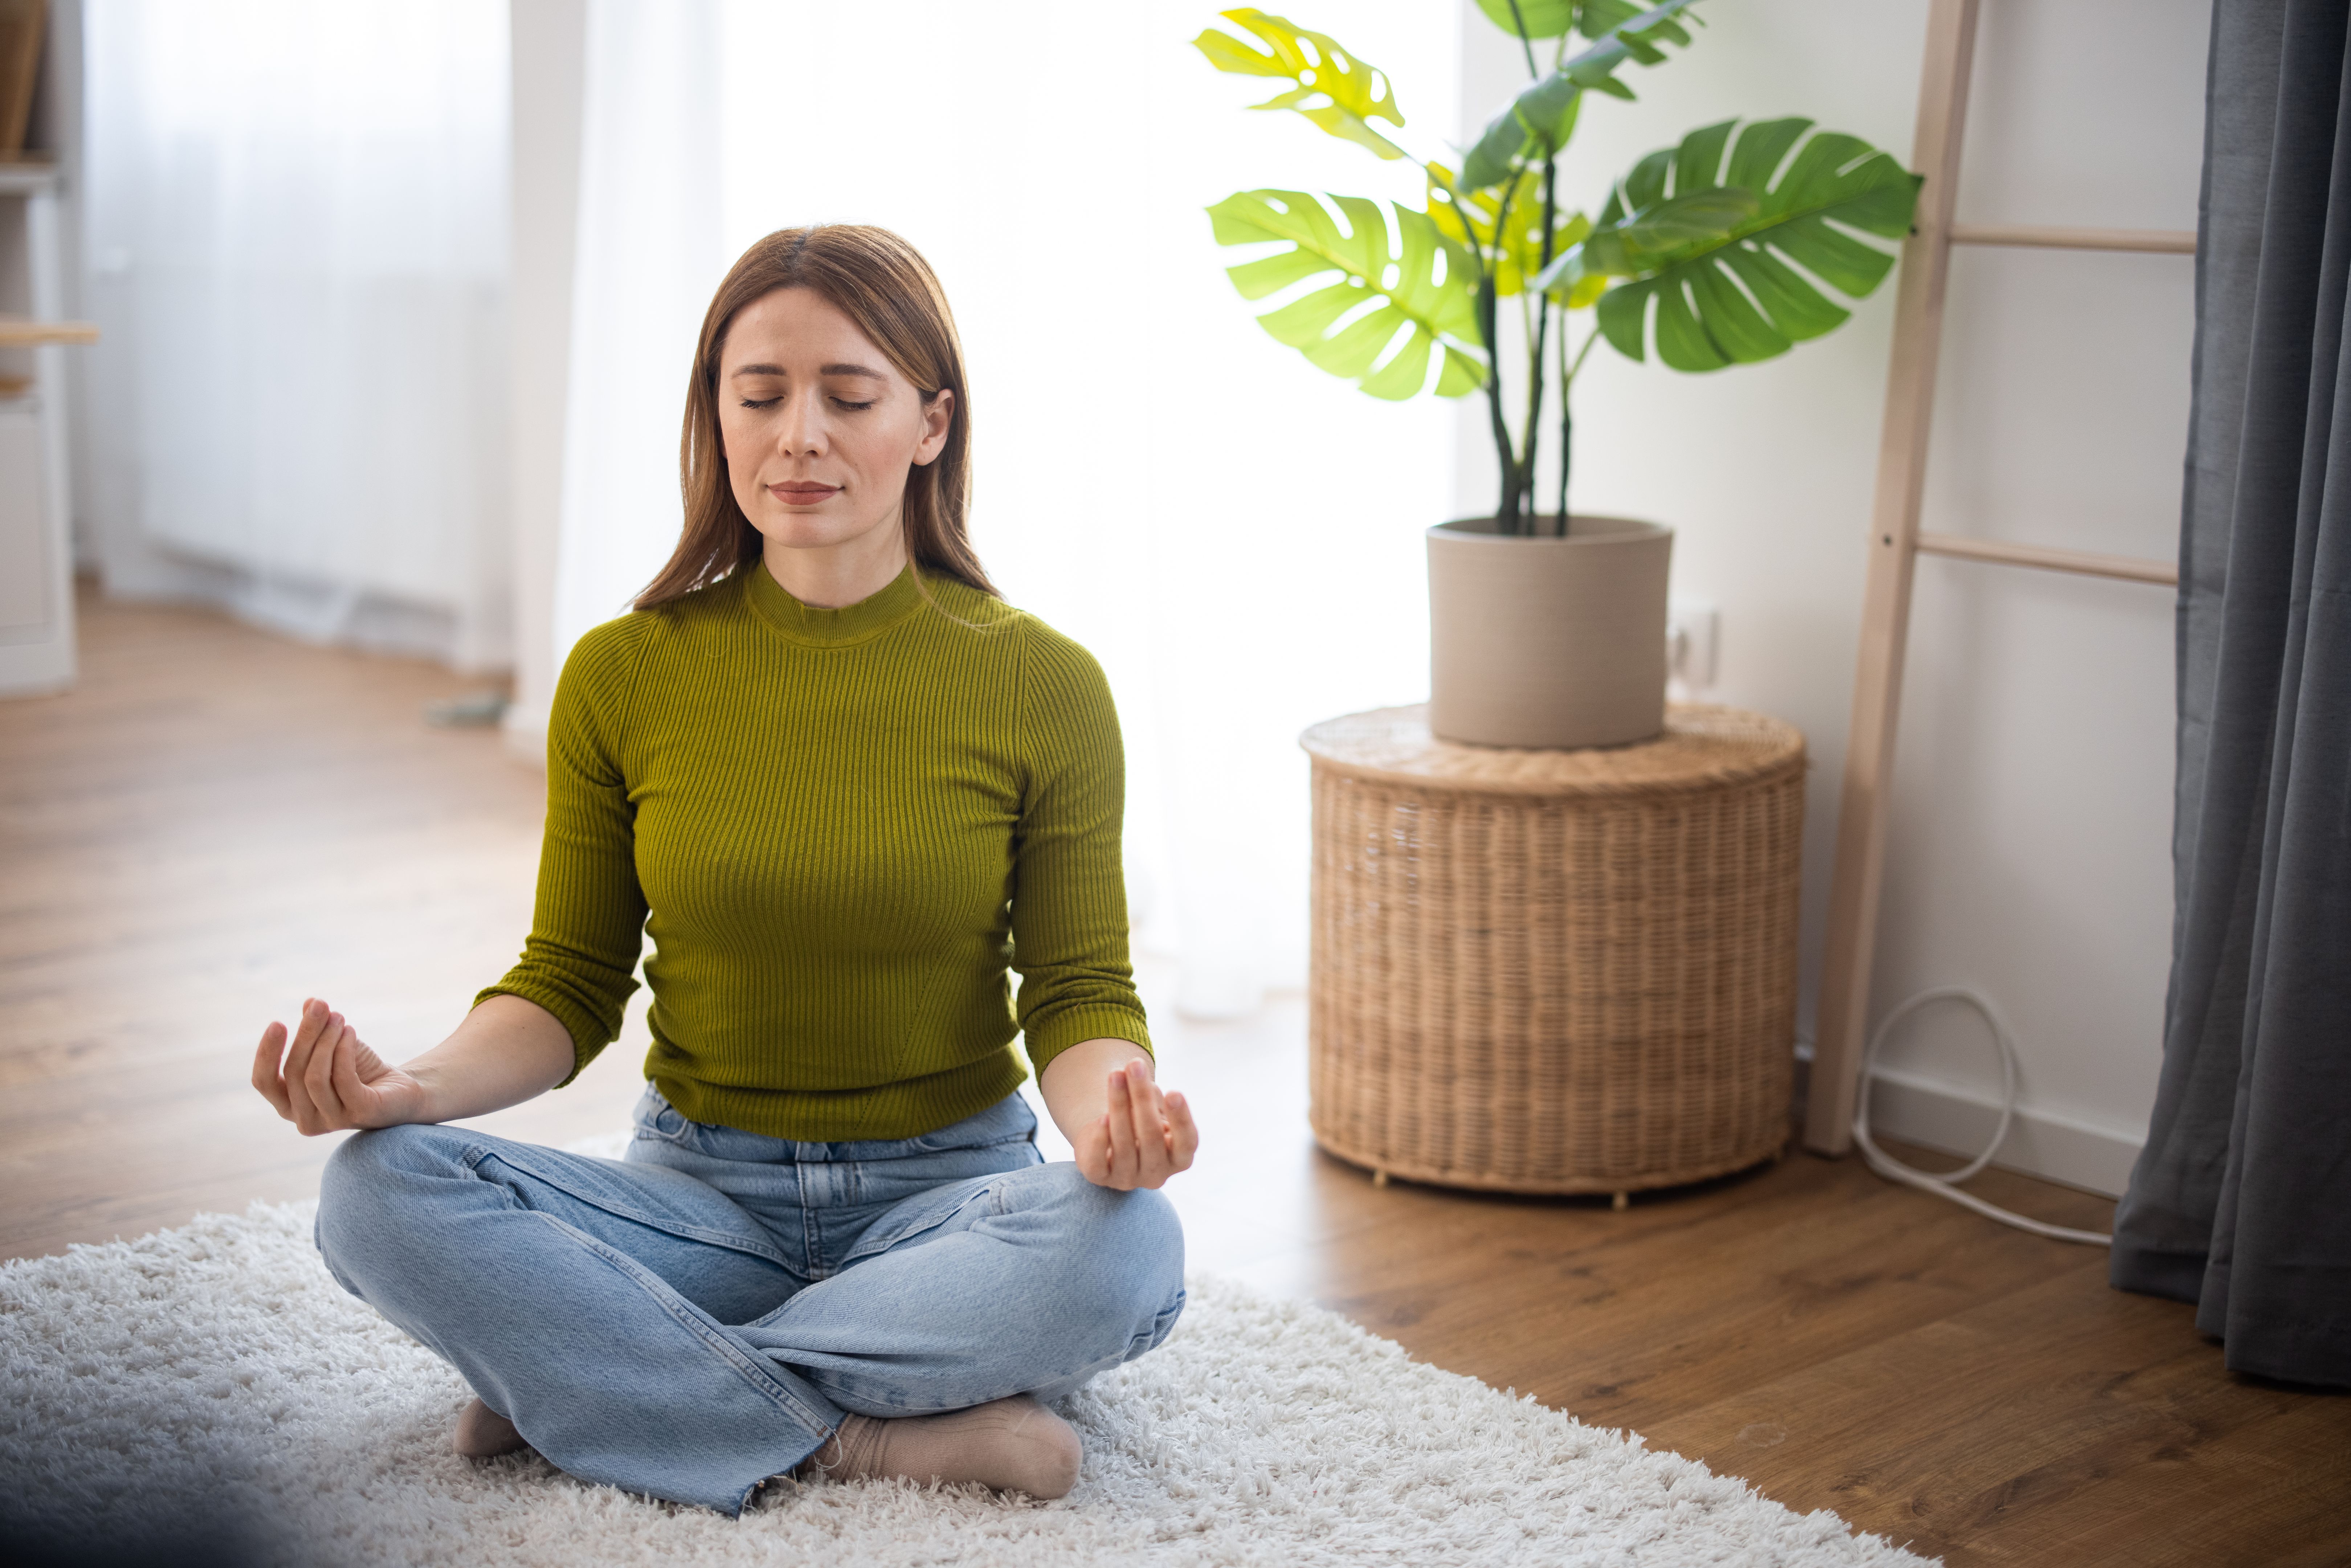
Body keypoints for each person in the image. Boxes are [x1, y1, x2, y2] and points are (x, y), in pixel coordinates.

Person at [250, 224, 1197, 1516]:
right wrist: (411, 1087)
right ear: (717, 418)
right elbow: (569, 982)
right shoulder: (623, 672)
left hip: (946, 1206)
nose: (799, 436)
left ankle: (599, 1381)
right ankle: (857, 1433)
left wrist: (1110, 1125)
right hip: (698, 1205)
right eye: (760, 397)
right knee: (374, 1191)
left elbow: (1079, 991)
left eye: (848, 397)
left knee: (1127, 1248)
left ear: (931, 424)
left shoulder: (1046, 684)